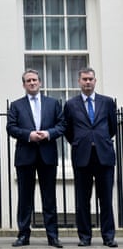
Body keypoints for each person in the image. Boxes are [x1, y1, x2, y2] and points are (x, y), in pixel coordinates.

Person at [6, 69, 64, 248]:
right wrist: (29, 135)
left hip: (47, 155)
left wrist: (48, 133)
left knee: (49, 198)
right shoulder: (16, 105)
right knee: (25, 198)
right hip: (25, 155)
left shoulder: (53, 103)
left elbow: (62, 125)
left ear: (40, 83)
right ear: (23, 84)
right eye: (28, 81)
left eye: (35, 80)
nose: (32, 83)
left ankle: (52, 236)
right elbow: (11, 128)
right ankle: (23, 235)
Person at [64, 67, 118, 248]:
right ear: (78, 82)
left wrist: (98, 141)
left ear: (95, 81)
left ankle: (109, 236)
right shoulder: (71, 104)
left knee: (106, 199)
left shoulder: (108, 102)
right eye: (84, 79)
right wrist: (83, 142)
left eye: (90, 79)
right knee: (82, 201)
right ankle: (85, 237)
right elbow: (69, 131)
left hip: (104, 156)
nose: (88, 82)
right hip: (82, 156)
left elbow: (112, 128)